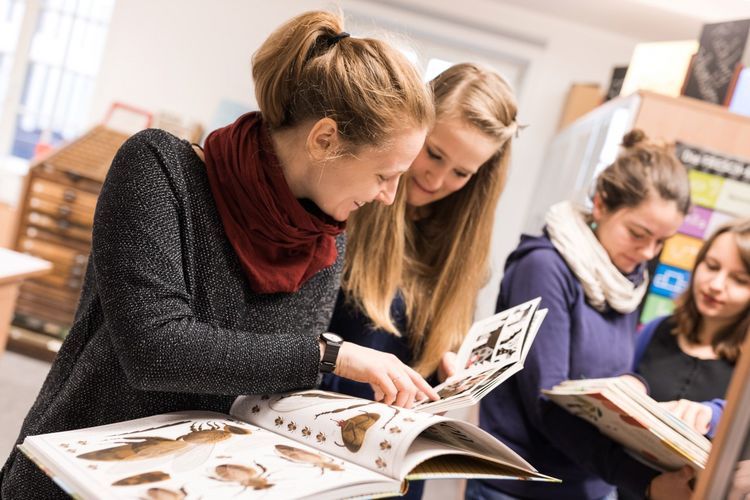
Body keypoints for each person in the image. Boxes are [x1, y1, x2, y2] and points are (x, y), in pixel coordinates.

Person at [0, 10, 439, 498]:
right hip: (84, 474)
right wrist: (328, 355)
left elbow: (276, 385)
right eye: (384, 175)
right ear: (324, 139)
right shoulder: (159, 169)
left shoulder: (325, 237)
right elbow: (155, 351)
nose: (391, 196)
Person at [468, 130, 696, 500]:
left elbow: (601, 370)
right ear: (602, 205)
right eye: (638, 234)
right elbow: (548, 402)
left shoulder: (625, 278)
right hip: (524, 484)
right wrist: (644, 482)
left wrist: (632, 384)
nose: (647, 252)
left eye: (660, 242)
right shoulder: (544, 267)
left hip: (592, 482)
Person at [321, 62, 519, 403]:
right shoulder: (351, 200)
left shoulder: (457, 247)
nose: (437, 180)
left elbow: (425, 372)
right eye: (434, 154)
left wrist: (448, 371)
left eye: (461, 173)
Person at [633, 218, 750, 437]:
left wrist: (713, 418)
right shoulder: (657, 328)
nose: (715, 285)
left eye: (740, 280)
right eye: (712, 266)